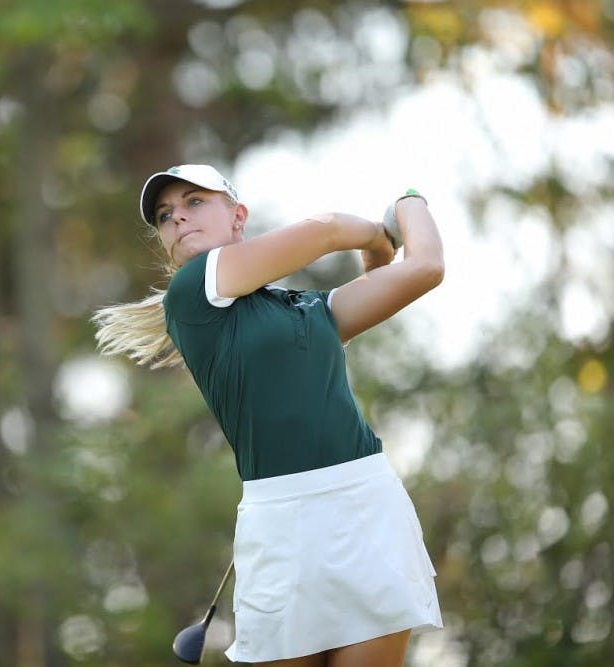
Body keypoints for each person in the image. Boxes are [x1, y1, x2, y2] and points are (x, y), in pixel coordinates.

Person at [93, 164, 445, 666]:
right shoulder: (192, 290)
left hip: (368, 510)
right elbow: (326, 232)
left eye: (194, 203)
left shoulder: (308, 308)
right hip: (281, 526)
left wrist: (410, 200)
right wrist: (381, 229)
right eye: (166, 216)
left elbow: (424, 268)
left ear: (238, 216)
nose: (178, 220)